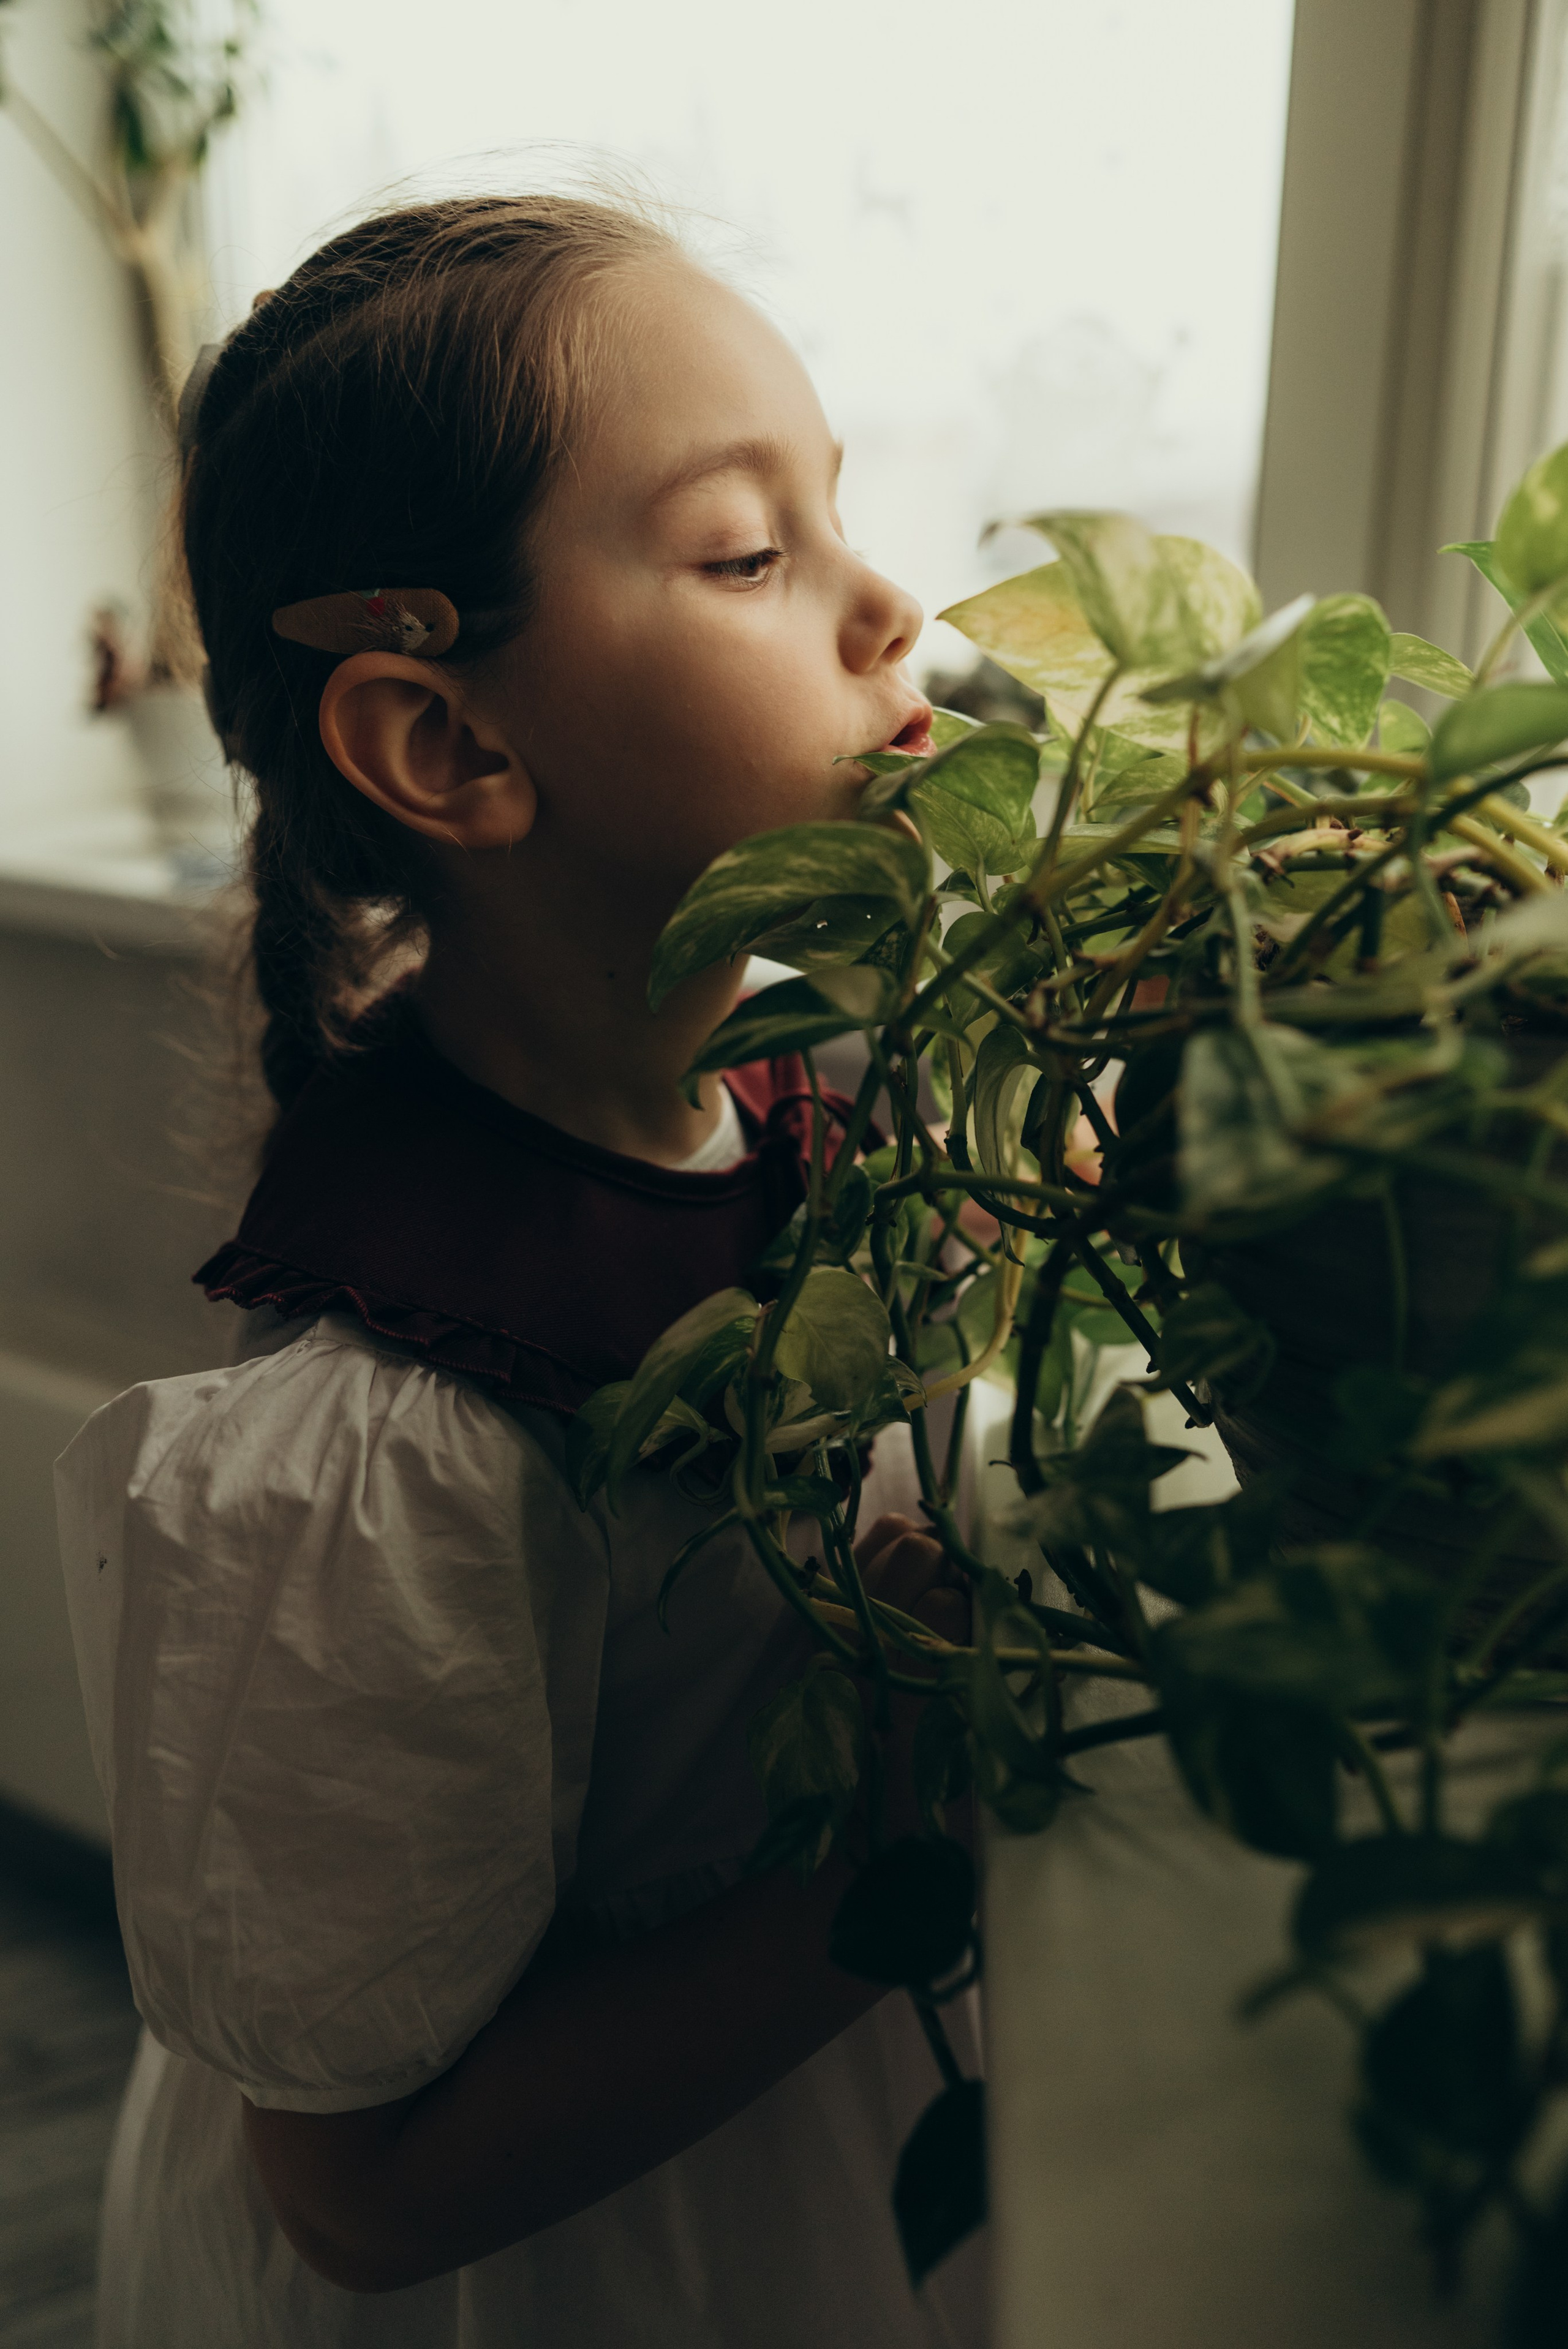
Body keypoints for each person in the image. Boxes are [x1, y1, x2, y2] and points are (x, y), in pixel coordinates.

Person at [54, 192, 986, 2348]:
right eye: (751, 555)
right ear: (447, 745)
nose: (890, 607)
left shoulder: (815, 1097)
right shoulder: (389, 1440)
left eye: (833, 516)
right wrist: (912, 1819)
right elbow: (364, 2197)